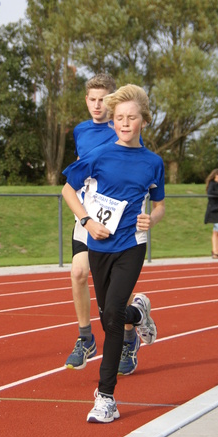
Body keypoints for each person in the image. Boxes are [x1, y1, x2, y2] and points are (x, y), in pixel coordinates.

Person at [62, 84, 165, 423]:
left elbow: (160, 204)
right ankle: (140, 313)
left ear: (143, 121)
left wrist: (153, 218)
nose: (124, 123)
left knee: (112, 315)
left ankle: (105, 397)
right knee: (111, 317)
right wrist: (88, 222)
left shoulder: (153, 162)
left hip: (132, 245)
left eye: (131, 118)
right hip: (99, 245)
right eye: (119, 118)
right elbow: (67, 189)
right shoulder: (101, 155)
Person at [65, 73, 140, 377]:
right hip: (86, 214)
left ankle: (130, 337)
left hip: (116, 219)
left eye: (102, 100)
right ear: (86, 100)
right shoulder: (80, 131)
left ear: (112, 100)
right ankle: (86, 338)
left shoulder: (123, 129)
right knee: (78, 272)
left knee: (113, 293)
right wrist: (83, 211)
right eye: (92, 99)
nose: (97, 105)